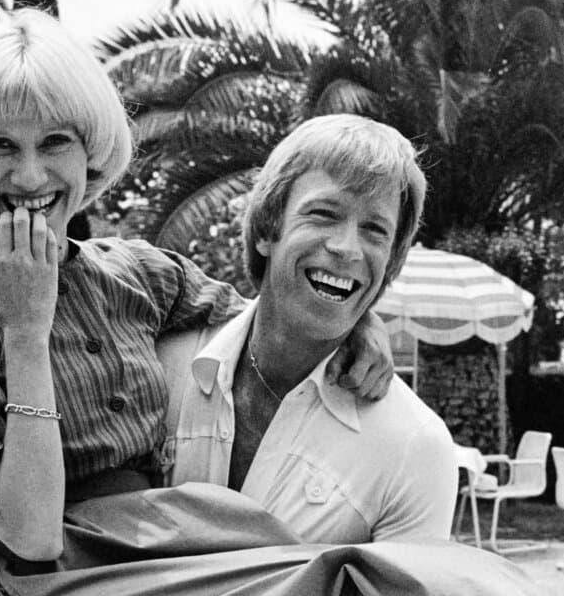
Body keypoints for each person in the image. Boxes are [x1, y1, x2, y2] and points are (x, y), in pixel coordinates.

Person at [0, 9, 417, 595]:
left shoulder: (138, 274)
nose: (30, 175)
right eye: (1, 145)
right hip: (55, 581)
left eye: (55, 141)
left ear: (88, 151)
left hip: (171, 550)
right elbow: (33, 535)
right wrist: (25, 331)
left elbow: (272, 315)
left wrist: (357, 324)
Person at [158, 114, 457, 543]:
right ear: (266, 230)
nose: (346, 248)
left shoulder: (415, 447)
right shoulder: (161, 362)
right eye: (323, 214)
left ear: (390, 261)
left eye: (374, 229)